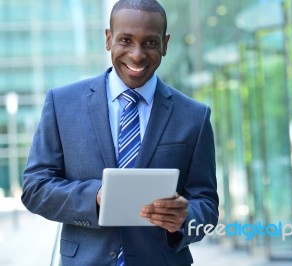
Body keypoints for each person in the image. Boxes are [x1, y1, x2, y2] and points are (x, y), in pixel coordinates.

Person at [21, 0, 219, 265]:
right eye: (125, 40)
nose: (137, 55)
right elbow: (35, 188)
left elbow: (206, 205)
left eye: (150, 43)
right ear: (107, 38)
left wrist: (185, 219)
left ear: (165, 44)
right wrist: (96, 197)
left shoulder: (194, 116)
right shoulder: (62, 104)